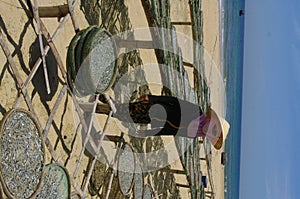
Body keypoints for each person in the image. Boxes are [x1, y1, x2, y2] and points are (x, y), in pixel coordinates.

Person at [99, 94, 229, 150]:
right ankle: (102, 102)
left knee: (123, 116)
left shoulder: (194, 134)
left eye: (214, 133)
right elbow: (172, 100)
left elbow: (169, 130)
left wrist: (149, 133)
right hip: (153, 108)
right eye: (215, 128)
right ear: (213, 120)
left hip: (152, 121)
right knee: (123, 110)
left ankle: (102, 104)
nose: (211, 131)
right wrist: (151, 98)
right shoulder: (196, 111)